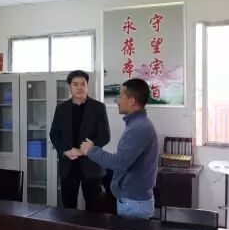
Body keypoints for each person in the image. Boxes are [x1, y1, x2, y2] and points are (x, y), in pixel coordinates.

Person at [80, 78, 158, 220]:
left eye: (120, 96)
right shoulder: (136, 124)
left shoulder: (138, 128)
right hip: (132, 201)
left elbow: (119, 162)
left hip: (134, 203)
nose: (117, 101)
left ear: (131, 100)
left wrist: (91, 150)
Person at [49, 70, 110, 211]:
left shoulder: (98, 107)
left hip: (92, 165)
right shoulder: (61, 108)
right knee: (68, 207)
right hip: (68, 165)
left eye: (83, 84)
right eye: (75, 84)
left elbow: (105, 136)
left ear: (87, 86)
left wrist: (86, 150)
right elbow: (54, 134)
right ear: (69, 86)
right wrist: (65, 150)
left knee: (94, 208)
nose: (79, 87)